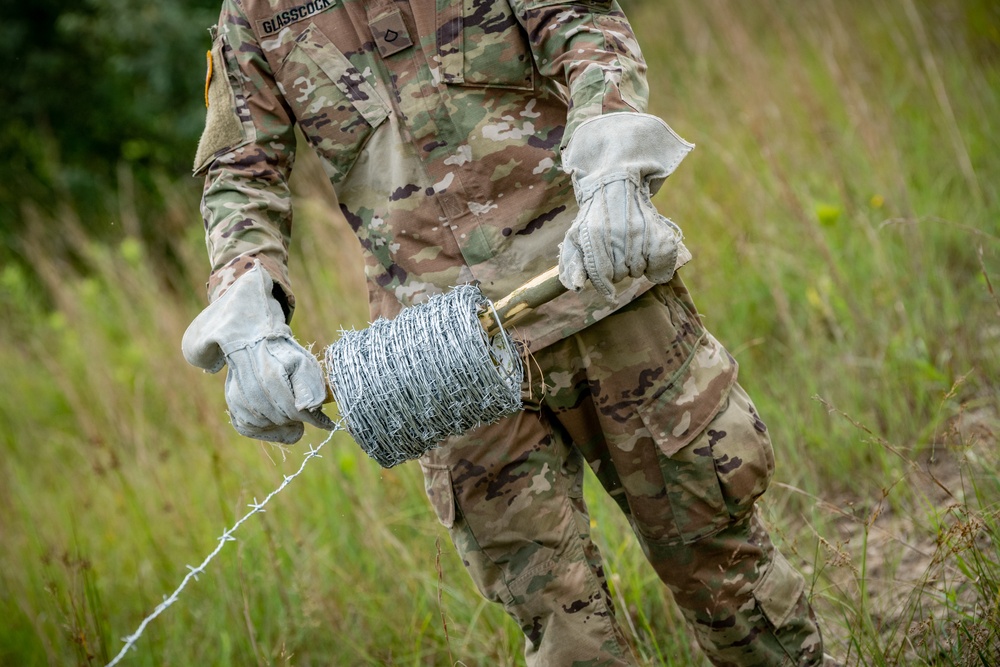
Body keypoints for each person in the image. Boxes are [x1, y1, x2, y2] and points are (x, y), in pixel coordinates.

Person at [182, 0, 836, 664]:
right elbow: (242, 167)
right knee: (560, 628)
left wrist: (614, 160)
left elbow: (583, 29)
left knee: (724, 573)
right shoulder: (255, 12)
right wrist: (247, 302)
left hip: (597, 281)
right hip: (444, 359)